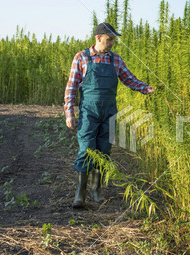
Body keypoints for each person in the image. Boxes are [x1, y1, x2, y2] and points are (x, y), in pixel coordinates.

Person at [64, 22, 154, 208]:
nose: (112, 42)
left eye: (113, 39)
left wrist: (148, 89)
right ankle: (80, 195)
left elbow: (130, 80)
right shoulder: (82, 58)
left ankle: (96, 192)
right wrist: (69, 112)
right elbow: (71, 87)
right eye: (109, 39)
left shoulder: (116, 60)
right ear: (98, 38)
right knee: (87, 149)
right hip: (89, 111)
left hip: (109, 112)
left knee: (104, 151)